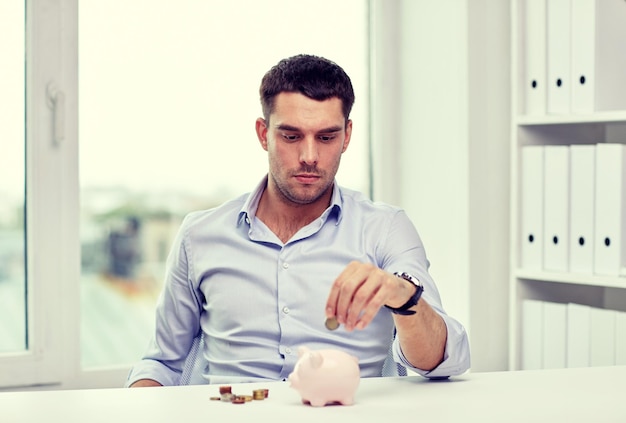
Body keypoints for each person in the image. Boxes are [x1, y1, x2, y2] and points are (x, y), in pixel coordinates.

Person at [126, 54, 470, 387]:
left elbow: (443, 361)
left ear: (347, 136)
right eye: (291, 137)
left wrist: (403, 296)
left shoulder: (385, 229)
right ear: (264, 134)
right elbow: (162, 362)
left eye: (326, 137)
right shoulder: (199, 235)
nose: (309, 157)